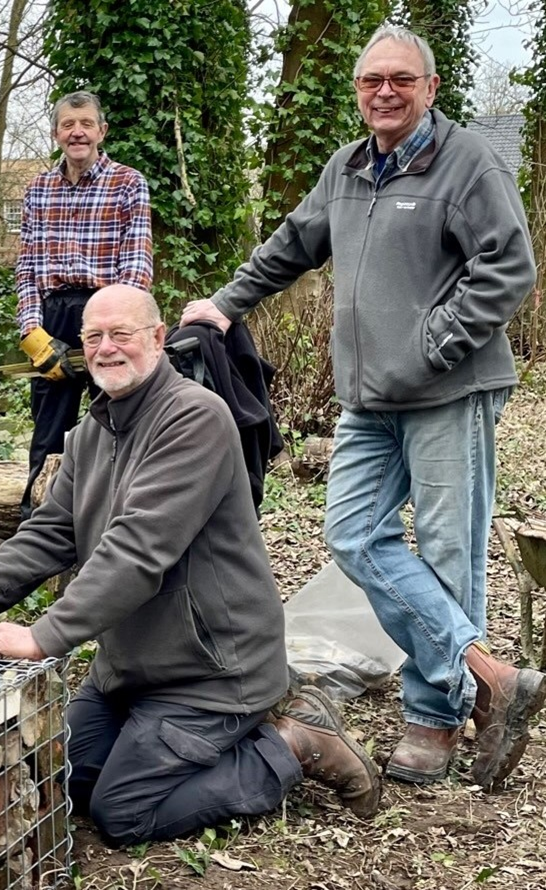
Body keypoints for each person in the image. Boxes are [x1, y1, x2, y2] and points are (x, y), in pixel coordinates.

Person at [181, 24, 544, 788]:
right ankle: (488, 673)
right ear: (357, 90)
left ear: (431, 88)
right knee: (351, 535)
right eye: (372, 80)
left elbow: (509, 266)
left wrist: (431, 345)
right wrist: (223, 303)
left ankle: (435, 720)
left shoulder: (467, 163)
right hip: (369, 400)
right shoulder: (347, 167)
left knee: (448, 552)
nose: (385, 91)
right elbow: (291, 243)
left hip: (451, 389)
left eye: (401, 80)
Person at [0, 285, 380, 846]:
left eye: (121, 334)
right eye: (93, 337)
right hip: (130, 670)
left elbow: (138, 550)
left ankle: (290, 744)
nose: (105, 349)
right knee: (65, 785)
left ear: (159, 339)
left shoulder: (196, 419)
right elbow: (52, 530)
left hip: (213, 671)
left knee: (124, 814)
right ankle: (173, 744)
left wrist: (43, 636)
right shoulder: (93, 431)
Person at [15, 90, 153, 521]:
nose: (77, 133)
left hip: (106, 311)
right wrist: (31, 331)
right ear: (56, 133)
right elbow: (27, 267)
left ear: (101, 131)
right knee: (48, 429)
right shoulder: (39, 188)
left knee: (115, 419)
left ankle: (116, 518)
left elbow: (137, 265)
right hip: (54, 314)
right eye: (68, 125)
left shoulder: (128, 184)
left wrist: (116, 328)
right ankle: (36, 521)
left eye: (86, 124)